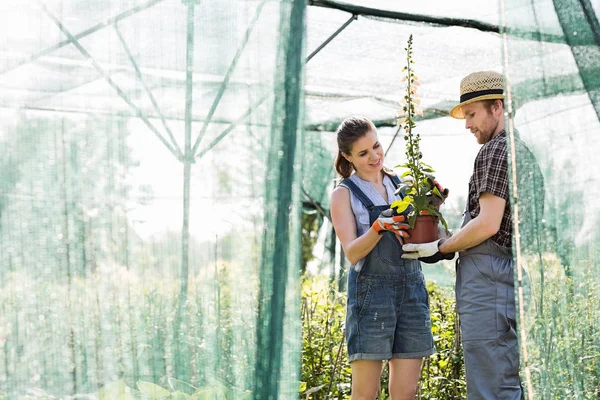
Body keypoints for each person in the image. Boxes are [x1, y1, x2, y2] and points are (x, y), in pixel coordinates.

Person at [402, 70, 544, 399]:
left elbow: (488, 224)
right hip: (503, 276)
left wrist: (441, 246)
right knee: (500, 379)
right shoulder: (521, 151)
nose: (467, 124)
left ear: (497, 107)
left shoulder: (495, 151)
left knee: (490, 387)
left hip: (488, 282)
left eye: (471, 114)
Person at [330, 116, 446, 399]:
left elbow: (433, 235)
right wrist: (377, 227)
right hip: (372, 297)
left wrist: (432, 206)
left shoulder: (405, 184)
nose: (374, 156)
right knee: (365, 395)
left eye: (376, 146)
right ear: (347, 157)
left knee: (405, 394)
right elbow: (352, 252)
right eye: (363, 153)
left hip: (411, 293)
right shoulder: (343, 194)